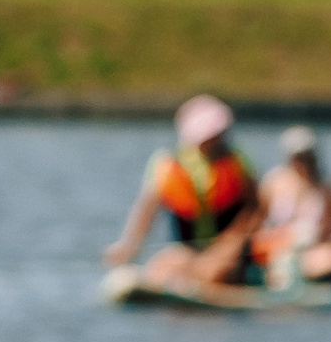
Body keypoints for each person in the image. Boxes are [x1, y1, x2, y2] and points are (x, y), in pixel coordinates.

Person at [103, 94, 263, 286]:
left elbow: (257, 208)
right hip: (186, 249)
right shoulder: (167, 164)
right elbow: (147, 210)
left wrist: (231, 243)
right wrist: (129, 247)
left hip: (231, 249)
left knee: (216, 272)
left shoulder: (237, 161)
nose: (217, 139)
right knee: (161, 269)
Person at [254, 126, 331, 286]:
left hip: (312, 249)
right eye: (298, 157)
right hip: (275, 245)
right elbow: (257, 221)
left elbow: (330, 229)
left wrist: (311, 236)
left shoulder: (328, 189)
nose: (303, 162)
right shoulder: (273, 182)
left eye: (307, 157)